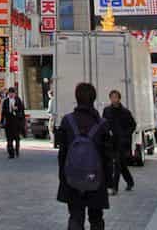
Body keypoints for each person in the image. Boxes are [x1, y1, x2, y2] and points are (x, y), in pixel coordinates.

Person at [57, 82, 112, 230]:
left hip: (73, 177)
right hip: (96, 178)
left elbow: (62, 154)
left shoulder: (67, 121)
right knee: (96, 218)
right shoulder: (102, 124)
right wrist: (109, 181)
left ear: (76, 98)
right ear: (94, 98)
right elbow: (107, 157)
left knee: (75, 216)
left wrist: (62, 177)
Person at [102, 89, 136, 194]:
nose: (114, 99)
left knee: (117, 164)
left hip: (121, 142)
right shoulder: (107, 111)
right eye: (112, 97)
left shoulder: (125, 112)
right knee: (121, 165)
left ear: (119, 99)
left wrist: (125, 135)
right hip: (110, 141)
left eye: (115, 97)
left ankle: (114, 188)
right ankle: (130, 181)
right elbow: (103, 123)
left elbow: (133, 125)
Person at [1, 87, 25, 159]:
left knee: (17, 138)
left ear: (15, 94)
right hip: (8, 122)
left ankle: (17, 150)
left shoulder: (18, 100)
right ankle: (11, 153)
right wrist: (2, 121)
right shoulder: (5, 101)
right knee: (9, 139)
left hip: (16, 122)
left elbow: (22, 110)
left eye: (12, 93)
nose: (11, 94)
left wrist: (17, 109)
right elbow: (3, 112)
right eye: (10, 93)